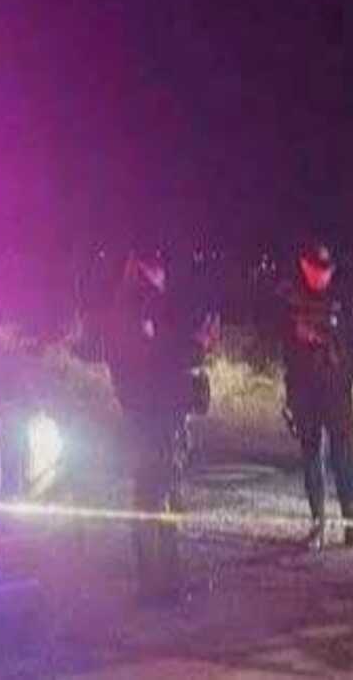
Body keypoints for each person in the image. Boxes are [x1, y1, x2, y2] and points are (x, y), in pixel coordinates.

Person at [106, 246, 216, 607]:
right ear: (145, 268)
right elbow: (160, 359)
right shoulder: (141, 305)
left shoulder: (128, 304)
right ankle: (158, 587)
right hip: (155, 417)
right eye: (159, 265)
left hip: (147, 416)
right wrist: (196, 347)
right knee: (156, 500)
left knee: (158, 498)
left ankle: (165, 583)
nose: (164, 272)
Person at [279, 240, 353, 550]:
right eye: (316, 269)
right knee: (311, 456)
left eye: (326, 270)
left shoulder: (342, 298)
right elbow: (282, 346)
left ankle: (352, 522)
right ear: (304, 266)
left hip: (337, 391)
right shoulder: (290, 299)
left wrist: (334, 346)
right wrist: (301, 336)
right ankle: (318, 522)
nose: (321, 276)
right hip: (304, 390)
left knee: (344, 457)